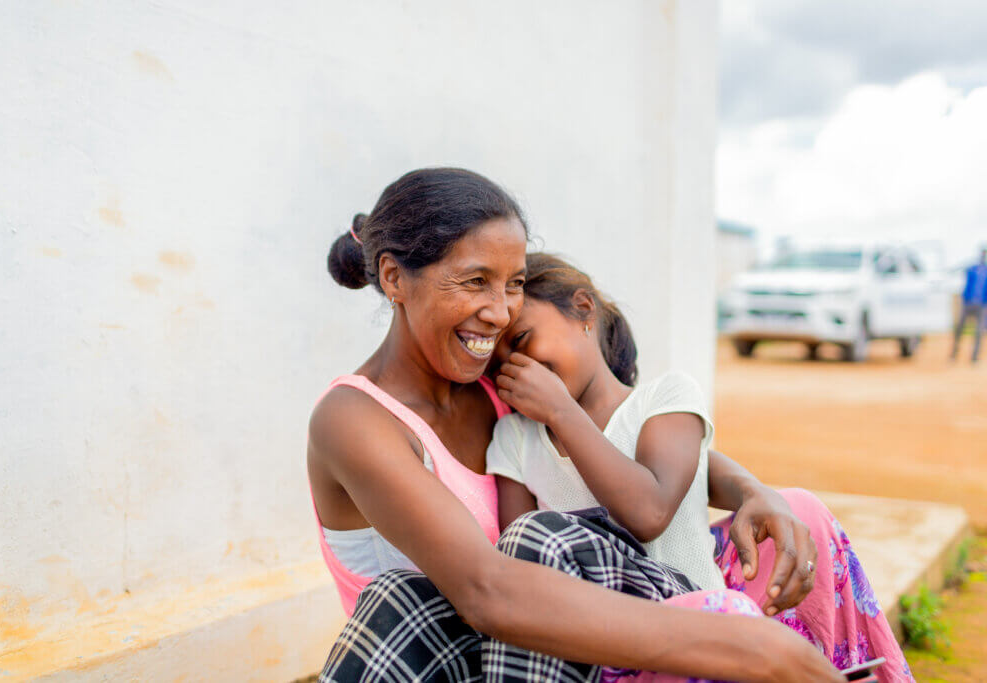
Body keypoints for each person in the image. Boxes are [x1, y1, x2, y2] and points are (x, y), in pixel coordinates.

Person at [308, 167, 880, 681]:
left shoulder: (497, 383)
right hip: (464, 657)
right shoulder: (354, 420)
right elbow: (487, 591)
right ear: (393, 277)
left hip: (563, 640)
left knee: (798, 511)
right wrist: (737, 643)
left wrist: (754, 491)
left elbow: (636, 441)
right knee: (539, 544)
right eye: (475, 281)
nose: (502, 311)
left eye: (512, 284)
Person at [486, 252, 911, 680]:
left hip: (702, 617)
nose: (517, 369)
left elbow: (648, 512)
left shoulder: (664, 399)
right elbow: (527, 568)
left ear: (583, 310)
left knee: (800, 508)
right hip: (611, 644)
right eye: (500, 364)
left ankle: (843, 669)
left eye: (521, 342)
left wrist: (562, 412)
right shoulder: (515, 439)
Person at [950, 247, 987, 362]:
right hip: (968, 303)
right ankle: (954, 355)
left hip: (981, 305)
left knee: (978, 332)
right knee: (959, 330)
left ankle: (974, 357)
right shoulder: (972, 269)